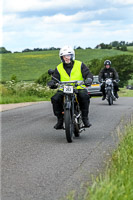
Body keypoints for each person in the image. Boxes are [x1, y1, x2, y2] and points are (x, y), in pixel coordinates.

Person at [47, 45, 93, 129]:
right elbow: (55, 77)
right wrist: (52, 82)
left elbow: (87, 73)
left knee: (84, 96)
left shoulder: (80, 64)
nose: (66, 58)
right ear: (61, 57)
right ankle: (60, 120)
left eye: (68, 55)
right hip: (64, 88)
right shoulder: (59, 67)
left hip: (78, 87)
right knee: (55, 99)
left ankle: (85, 118)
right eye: (64, 56)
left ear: (72, 56)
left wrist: (89, 79)